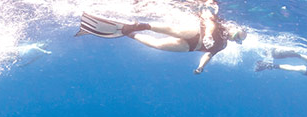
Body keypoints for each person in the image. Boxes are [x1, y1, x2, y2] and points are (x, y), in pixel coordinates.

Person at [77, 1, 246, 74]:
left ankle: (130, 33)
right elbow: (209, 23)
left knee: (156, 45)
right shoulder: (221, 25)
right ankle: (141, 25)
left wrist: (200, 67)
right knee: (176, 30)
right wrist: (208, 34)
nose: (234, 36)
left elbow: (208, 55)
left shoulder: (223, 46)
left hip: (191, 47)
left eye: (237, 38)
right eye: (237, 34)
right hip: (197, 33)